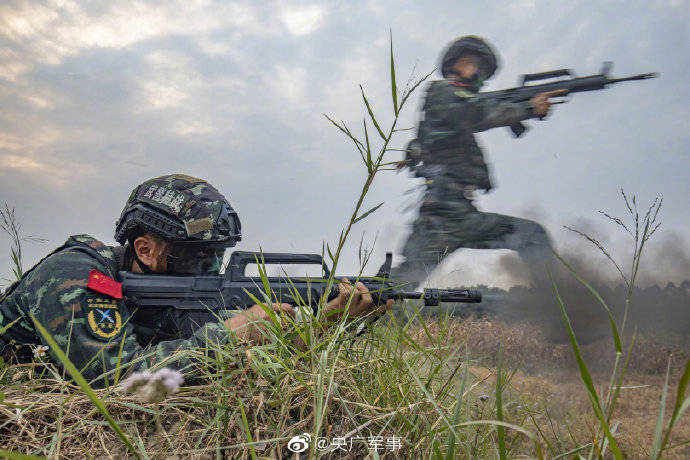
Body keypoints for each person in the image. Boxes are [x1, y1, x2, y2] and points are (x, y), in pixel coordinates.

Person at [0, 174, 391, 386]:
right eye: (196, 254)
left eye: (218, 254)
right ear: (146, 249)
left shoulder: (173, 297)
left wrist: (329, 323)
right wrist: (230, 336)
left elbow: (254, 371)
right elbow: (114, 379)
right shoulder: (76, 276)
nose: (210, 267)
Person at [392, 36, 565, 286]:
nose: (481, 75)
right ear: (458, 64)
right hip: (445, 213)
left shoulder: (453, 107)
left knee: (402, 282)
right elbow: (475, 112)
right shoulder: (443, 93)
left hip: (456, 211)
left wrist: (410, 157)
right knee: (399, 285)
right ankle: (560, 308)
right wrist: (528, 108)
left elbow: (424, 141)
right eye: (477, 65)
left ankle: (350, 311)